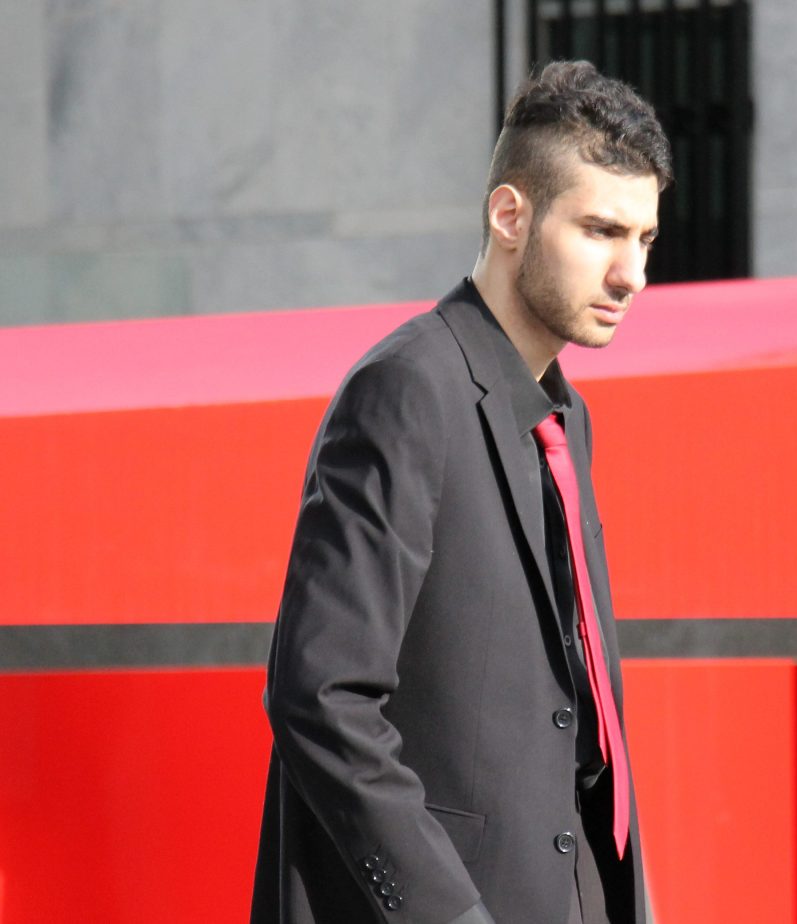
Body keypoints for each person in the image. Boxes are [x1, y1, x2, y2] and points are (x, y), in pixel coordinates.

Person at [250, 61, 672, 924]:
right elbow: (320, 696)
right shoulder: (408, 391)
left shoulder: (566, 420)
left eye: (644, 239)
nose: (631, 274)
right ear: (510, 215)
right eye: (600, 231)